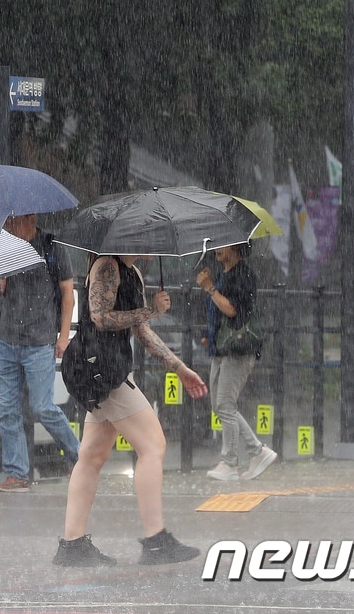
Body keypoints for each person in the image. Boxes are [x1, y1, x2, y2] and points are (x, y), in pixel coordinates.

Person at [54, 255, 206, 568]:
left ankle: (72, 544)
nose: (151, 245)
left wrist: (180, 368)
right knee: (153, 446)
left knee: (92, 456)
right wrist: (152, 309)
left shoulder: (132, 271)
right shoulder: (106, 266)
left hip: (108, 370)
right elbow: (99, 317)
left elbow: (141, 330)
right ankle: (155, 540)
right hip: (104, 372)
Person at [0, 214, 80, 492]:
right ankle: (17, 473)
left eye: (12, 222)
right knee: (7, 410)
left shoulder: (52, 245)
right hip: (7, 339)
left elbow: (68, 293)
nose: (7, 227)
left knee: (42, 406)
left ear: (31, 219)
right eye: (5, 222)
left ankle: (80, 456)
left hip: (39, 340)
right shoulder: (3, 246)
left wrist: (63, 335)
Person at [196, 243, 276, 483]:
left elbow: (232, 310)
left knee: (226, 405)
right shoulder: (223, 275)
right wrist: (209, 335)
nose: (218, 250)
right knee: (220, 406)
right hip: (221, 349)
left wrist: (210, 288)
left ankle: (230, 462)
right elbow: (218, 312)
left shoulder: (244, 274)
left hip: (238, 349)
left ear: (237, 248)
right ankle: (257, 450)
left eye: (223, 245)